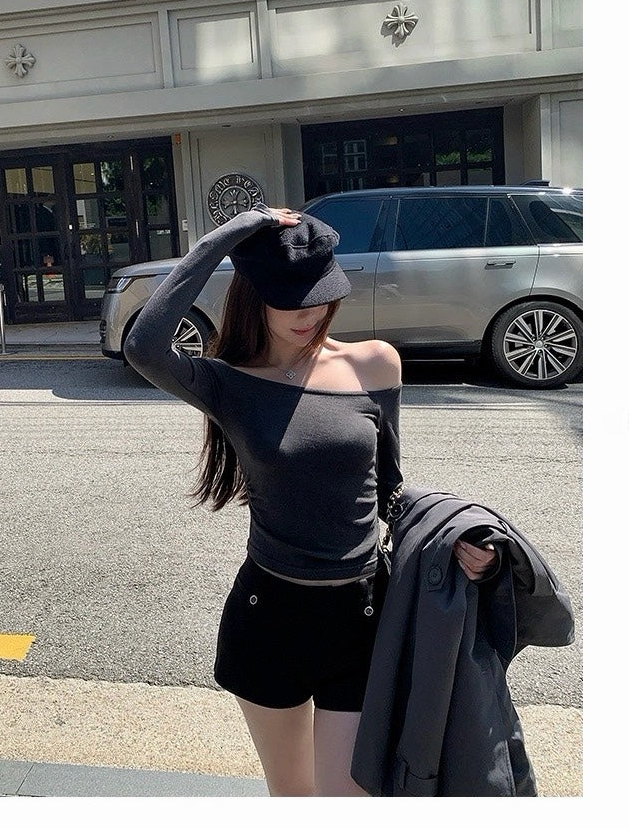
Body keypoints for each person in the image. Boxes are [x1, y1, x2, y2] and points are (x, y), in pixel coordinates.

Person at [123, 202, 497, 796]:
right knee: (293, 797)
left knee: (347, 800)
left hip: (362, 616)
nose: (310, 313)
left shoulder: (374, 363)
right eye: (290, 300)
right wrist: (231, 235)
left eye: (321, 296)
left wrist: (451, 539)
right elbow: (144, 345)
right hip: (268, 617)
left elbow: (389, 485)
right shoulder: (227, 381)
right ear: (253, 296)